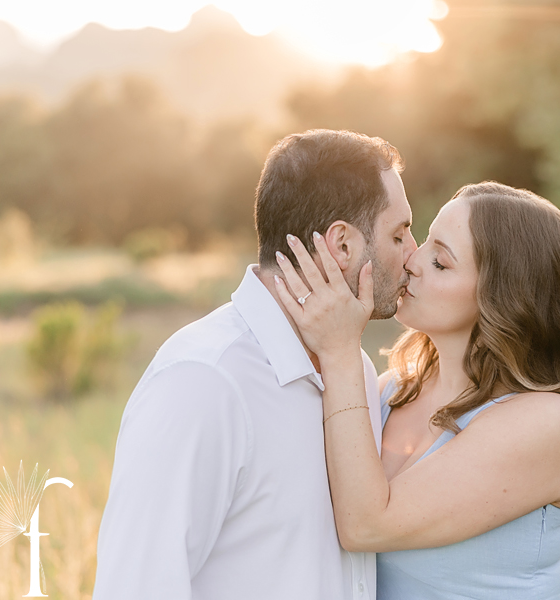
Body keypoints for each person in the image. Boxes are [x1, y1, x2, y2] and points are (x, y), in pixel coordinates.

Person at [92, 129, 417, 600]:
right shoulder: (202, 381)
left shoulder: (355, 369)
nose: (413, 255)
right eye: (400, 233)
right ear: (342, 244)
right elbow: (137, 586)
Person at [275, 181, 560, 599]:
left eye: (440, 261)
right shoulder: (393, 389)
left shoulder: (549, 422)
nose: (411, 261)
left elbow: (365, 525)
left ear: (503, 297)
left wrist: (340, 349)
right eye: (422, 242)